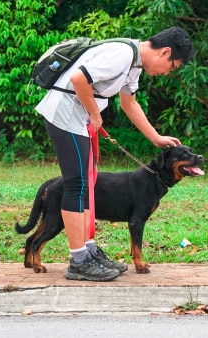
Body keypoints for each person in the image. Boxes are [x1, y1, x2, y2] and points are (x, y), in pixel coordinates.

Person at [35, 26, 195, 281]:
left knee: (86, 185)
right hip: (66, 117)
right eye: (172, 66)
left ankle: (87, 252)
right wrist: (95, 114)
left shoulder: (134, 64)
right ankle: (79, 261)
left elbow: (128, 103)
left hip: (79, 120)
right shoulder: (122, 55)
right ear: (165, 52)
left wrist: (155, 137)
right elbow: (79, 79)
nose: (167, 73)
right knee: (77, 186)